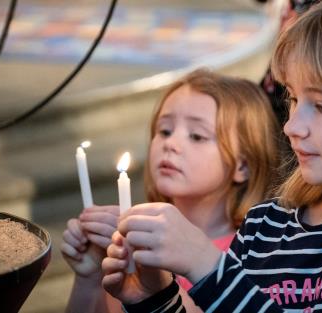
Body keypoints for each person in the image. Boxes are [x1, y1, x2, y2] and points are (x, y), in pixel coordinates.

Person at [101, 0, 322, 312]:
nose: (292, 127)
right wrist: (155, 298)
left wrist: (207, 267)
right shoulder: (264, 227)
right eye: (295, 99)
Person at [60, 68, 280, 312]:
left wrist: (159, 287)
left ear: (243, 164)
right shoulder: (132, 243)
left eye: (196, 136)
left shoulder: (254, 253)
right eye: (164, 130)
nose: (171, 144)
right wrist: (89, 277)